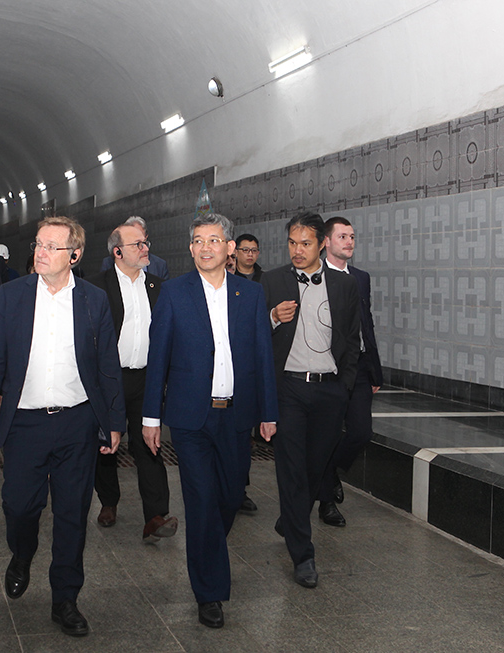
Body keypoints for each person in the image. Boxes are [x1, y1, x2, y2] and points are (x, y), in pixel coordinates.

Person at [0, 216, 124, 638]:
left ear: (74, 255)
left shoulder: (94, 300)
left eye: (51, 247)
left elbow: (107, 364)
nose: (40, 252)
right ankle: (22, 553)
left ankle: (66, 598)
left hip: (77, 422)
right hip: (25, 422)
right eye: (38, 244)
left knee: (73, 514)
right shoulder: (12, 296)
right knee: (19, 506)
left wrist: (114, 422)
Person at [142, 213, 278, 629]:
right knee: (201, 501)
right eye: (198, 240)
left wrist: (268, 412)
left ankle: (207, 547)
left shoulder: (250, 294)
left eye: (214, 240)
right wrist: (151, 417)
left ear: (230, 248)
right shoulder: (174, 293)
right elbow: (158, 357)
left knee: (230, 497)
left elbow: (262, 355)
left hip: (236, 415)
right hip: (190, 418)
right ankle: (210, 592)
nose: (206, 247)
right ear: (191, 248)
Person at [260, 212, 360, 589]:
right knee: (291, 469)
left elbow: (351, 339)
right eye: (292, 243)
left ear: (321, 244)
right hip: (288, 389)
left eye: (305, 243)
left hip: (329, 390)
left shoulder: (344, 285)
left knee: (316, 469)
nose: (297, 250)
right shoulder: (273, 281)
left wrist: (343, 387)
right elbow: (253, 334)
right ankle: (303, 554)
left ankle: (292, 518)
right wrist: (273, 317)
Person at [90, 220, 175, 541]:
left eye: (145, 242)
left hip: (147, 380)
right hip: (109, 380)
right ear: (117, 252)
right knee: (106, 445)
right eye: (137, 244)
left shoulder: (158, 286)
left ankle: (156, 515)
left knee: (149, 444)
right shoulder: (97, 287)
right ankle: (108, 501)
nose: (145, 248)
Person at [317, 217, 383, 527]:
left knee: (361, 432)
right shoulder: (315, 277)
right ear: (326, 242)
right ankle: (326, 503)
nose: (349, 241)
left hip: (359, 367)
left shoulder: (361, 278)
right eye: (342, 236)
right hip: (329, 368)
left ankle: (330, 472)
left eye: (352, 236)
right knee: (328, 434)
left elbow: (366, 324)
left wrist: (375, 371)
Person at [232, 233, 264, 514]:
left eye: (254, 250)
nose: (249, 255)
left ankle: (239, 490)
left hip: (250, 371)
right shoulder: (225, 283)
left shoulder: (264, 283)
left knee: (243, 437)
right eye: (245, 250)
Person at [99, 216, 170, 280]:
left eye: (143, 242)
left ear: (146, 237)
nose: (146, 249)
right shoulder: (108, 264)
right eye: (137, 243)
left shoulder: (160, 265)